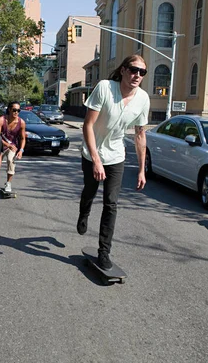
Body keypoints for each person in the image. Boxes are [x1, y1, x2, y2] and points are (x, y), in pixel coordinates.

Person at [77, 54, 150, 270]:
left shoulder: (143, 99)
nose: (138, 75)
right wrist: (96, 160)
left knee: (111, 203)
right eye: (134, 70)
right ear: (123, 70)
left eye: (142, 72)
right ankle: (84, 213)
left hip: (116, 155)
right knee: (90, 191)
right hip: (92, 152)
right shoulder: (105, 88)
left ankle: (104, 252)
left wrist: (141, 170)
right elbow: (87, 125)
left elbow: (139, 135)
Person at [0, 101, 26, 193]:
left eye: (18, 110)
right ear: (9, 109)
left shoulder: (21, 123)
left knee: (11, 160)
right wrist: (7, 144)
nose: (16, 112)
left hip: (13, 146)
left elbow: (23, 139)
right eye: (14, 110)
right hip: (1, 144)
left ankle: (8, 183)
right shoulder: (2, 120)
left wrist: (21, 150)